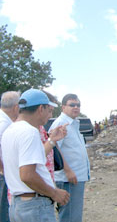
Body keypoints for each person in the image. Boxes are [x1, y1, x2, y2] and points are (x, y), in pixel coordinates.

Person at [1, 89, 70, 222]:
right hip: (34, 205)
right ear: (40, 108)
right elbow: (27, 175)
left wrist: (51, 140)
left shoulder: (10, 130)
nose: (50, 115)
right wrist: (54, 193)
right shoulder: (29, 132)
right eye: (48, 110)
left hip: (18, 204)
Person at [49, 93, 90, 222]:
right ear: (63, 107)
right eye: (72, 105)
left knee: (74, 215)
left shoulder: (73, 124)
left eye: (78, 105)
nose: (76, 107)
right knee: (69, 216)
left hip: (77, 177)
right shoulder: (61, 123)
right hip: (68, 179)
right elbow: (53, 148)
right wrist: (68, 170)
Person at [0, 91, 20, 222]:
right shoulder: (5, 123)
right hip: (2, 175)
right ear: (15, 107)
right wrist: (3, 170)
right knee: (4, 211)